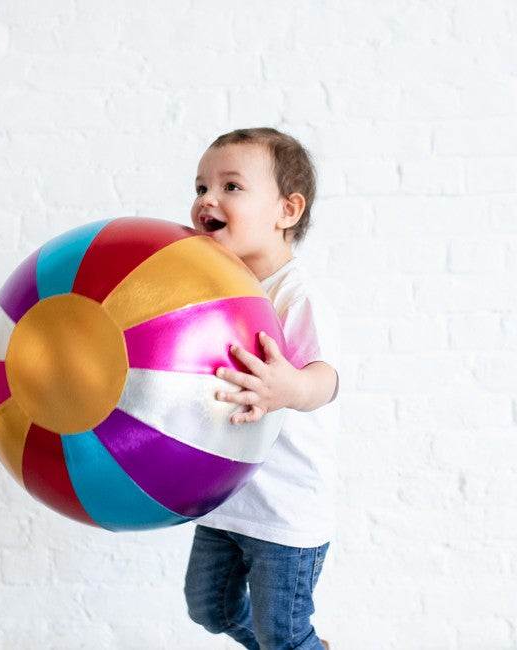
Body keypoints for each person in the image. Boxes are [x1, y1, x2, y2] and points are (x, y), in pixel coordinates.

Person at [183, 127, 340, 650]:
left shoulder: (295, 294)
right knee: (209, 608)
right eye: (201, 186)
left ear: (287, 211)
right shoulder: (214, 289)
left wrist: (286, 385)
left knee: (284, 634)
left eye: (231, 187)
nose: (208, 198)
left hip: (284, 509)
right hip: (226, 497)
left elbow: (327, 379)